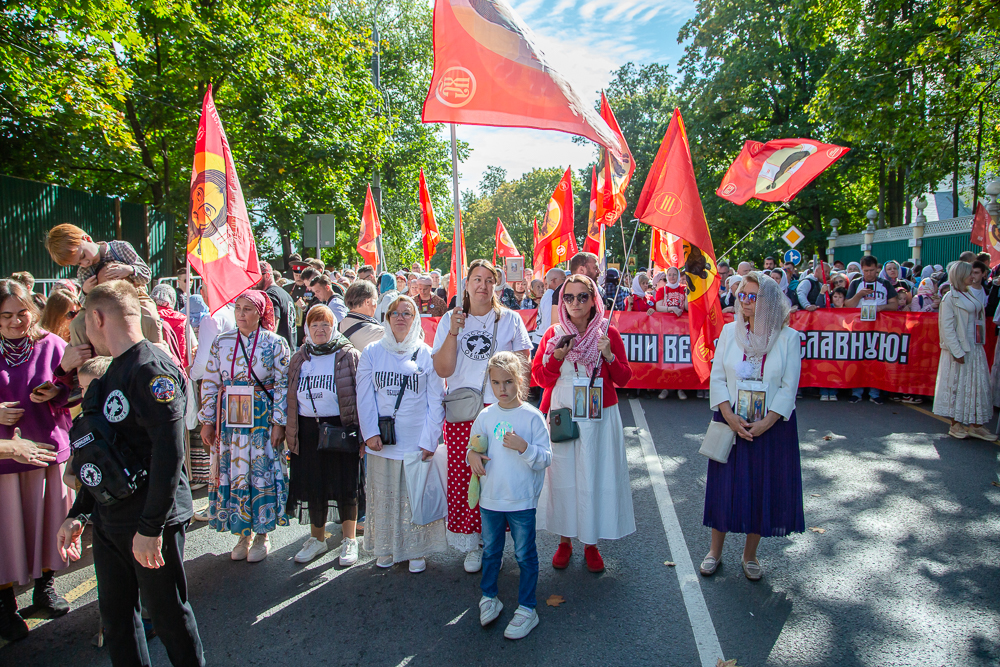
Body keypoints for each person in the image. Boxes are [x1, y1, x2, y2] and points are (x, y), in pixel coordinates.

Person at [55, 281, 204, 665]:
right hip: (110, 521)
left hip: (149, 520)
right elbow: (98, 453)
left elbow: (169, 455)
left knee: (168, 617)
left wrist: (151, 528)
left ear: (97, 318)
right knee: (118, 621)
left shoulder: (151, 369)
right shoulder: (106, 375)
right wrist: (79, 513)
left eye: (85, 325)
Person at [700, 272, 804, 581]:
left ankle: (750, 555)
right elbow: (717, 376)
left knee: (762, 487)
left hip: (770, 428)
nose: (745, 300)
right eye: (742, 294)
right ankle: (714, 552)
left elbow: (788, 387)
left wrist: (768, 421)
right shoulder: (730, 332)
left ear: (770, 301)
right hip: (730, 420)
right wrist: (729, 416)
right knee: (724, 487)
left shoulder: (789, 338)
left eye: (753, 296)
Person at [432, 259, 532, 572]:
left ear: (496, 285)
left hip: (499, 409)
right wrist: (453, 332)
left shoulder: (510, 319)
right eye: (477, 279)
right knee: (467, 478)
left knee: (501, 475)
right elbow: (443, 369)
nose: (483, 286)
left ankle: (496, 542)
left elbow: (523, 361)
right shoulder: (451, 318)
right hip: (464, 413)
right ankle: (473, 542)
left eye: (489, 280)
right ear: (466, 284)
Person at [531, 275, 635, 573]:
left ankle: (591, 543)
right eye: (568, 297)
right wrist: (556, 358)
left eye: (582, 297)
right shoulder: (553, 334)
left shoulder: (608, 332)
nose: (575, 303)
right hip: (563, 413)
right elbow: (538, 377)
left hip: (598, 415)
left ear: (593, 300)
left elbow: (624, 378)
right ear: (562, 300)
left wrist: (609, 355)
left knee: (594, 477)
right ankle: (565, 541)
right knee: (562, 477)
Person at [0, 280, 78, 642]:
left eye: (22, 313)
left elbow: (78, 386)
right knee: (6, 532)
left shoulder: (51, 343)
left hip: (47, 452)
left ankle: (43, 589)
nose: (16, 322)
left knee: (47, 524)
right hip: (4, 460)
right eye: (6, 316)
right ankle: (3, 606)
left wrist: (58, 391)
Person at [198, 291, 291, 562]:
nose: (241, 314)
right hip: (230, 422)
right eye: (237, 308)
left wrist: (278, 423)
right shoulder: (221, 342)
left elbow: (284, 385)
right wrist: (207, 421)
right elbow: (211, 381)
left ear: (260, 313)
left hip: (261, 419)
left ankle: (262, 534)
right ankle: (242, 533)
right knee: (236, 470)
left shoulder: (275, 343)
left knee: (259, 471)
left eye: (248, 309)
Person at [357, 294, 447, 571]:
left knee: (413, 497)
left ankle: (416, 549)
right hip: (382, 443)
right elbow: (364, 395)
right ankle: (385, 547)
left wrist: (430, 439)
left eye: (406, 313)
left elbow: (436, 401)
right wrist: (369, 433)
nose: (400, 317)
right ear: (385, 318)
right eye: (394, 313)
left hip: (415, 440)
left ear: (415, 319)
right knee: (384, 497)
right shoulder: (372, 352)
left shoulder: (427, 354)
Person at [468, 352, 550, 640]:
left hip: (521, 501)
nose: (501, 389)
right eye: (495, 383)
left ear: (520, 381)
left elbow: (545, 458)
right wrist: (473, 457)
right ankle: (489, 596)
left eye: (508, 382)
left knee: (525, 554)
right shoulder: (486, 415)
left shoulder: (532, 416)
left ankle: (528, 607)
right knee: (491, 552)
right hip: (490, 500)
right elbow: (473, 447)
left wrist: (524, 447)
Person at [285, 306, 365, 565]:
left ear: (334, 328)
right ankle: (317, 539)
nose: (320, 330)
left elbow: (362, 396)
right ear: (307, 328)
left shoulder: (348, 354)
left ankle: (349, 540)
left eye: (326, 325)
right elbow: (290, 396)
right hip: (308, 430)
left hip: (340, 428)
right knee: (312, 484)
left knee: (346, 483)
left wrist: (363, 435)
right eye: (315, 325)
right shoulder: (299, 357)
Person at [935, 262, 996, 440]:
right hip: (961, 348)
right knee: (958, 386)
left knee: (976, 386)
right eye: (970, 273)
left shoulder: (969, 293)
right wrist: (956, 351)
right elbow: (947, 328)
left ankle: (976, 426)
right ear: (961, 275)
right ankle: (956, 425)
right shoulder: (949, 298)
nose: (974, 276)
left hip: (975, 346)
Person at [845, 255, 898, 404]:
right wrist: (859, 295)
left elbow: (894, 305)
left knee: (877, 361)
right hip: (859, 329)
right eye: (866, 270)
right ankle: (857, 391)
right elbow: (848, 305)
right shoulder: (856, 284)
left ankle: (875, 392)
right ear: (862, 270)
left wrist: (881, 307)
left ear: (877, 269)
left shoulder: (885, 284)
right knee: (858, 361)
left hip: (879, 329)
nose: (869, 274)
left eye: (872, 270)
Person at [44, 223, 151, 296]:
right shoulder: (84, 271)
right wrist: (86, 291)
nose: (85, 263)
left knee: (150, 317)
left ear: (87, 239)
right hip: (107, 309)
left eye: (83, 256)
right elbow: (83, 305)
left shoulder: (121, 248)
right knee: (78, 323)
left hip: (136, 299)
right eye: (78, 263)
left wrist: (129, 270)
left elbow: (146, 276)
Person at [150, 284, 193, 368]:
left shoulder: (148, 316)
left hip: (154, 365)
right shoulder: (182, 319)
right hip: (178, 366)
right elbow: (192, 346)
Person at [258, 260, 297, 350]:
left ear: (267, 275)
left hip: (278, 353)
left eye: (257, 276)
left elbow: (271, 329)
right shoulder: (284, 293)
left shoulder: (270, 295)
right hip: (288, 350)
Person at [339, 280, 384, 350]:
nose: (376, 305)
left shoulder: (338, 326)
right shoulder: (377, 332)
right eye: (375, 301)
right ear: (368, 302)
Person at [533, 269, 565, 348]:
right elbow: (549, 323)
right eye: (564, 279)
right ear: (553, 281)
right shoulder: (551, 296)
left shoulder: (550, 294)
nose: (565, 282)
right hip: (543, 341)